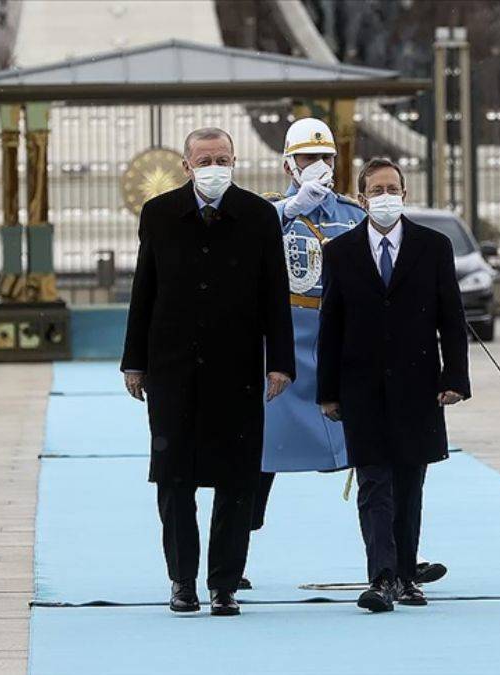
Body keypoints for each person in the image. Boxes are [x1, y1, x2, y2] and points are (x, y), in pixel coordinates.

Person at [251, 119, 448, 589]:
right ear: (287, 164)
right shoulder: (269, 213)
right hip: (284, 352)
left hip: (344, 352)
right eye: (304, 159)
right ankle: (233, 558)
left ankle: (397, 557)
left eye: (322, 159)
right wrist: (288, 211)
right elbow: (243, 250)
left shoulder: (351, 213)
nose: (315, 168)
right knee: (259, 462)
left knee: (383, 461)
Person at [121, 127, 295, 616]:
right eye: (204, 159)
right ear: (186, 165)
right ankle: (182, 581)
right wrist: (134, 361)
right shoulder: (159, 215)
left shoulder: (259, 216)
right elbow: (144, 291)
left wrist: (280, 362)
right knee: (174, 479)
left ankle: (224, 583)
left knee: (237, 480)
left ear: (234, 160)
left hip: (237, 368)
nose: (213, 166)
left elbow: (274, 295)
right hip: (172, 370)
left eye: (222, 158)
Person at [316, 157, 471, 613]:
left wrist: (455, 378)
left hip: (418, 384)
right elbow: (331, 323)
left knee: (408, 483)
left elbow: (452, 319)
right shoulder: (341, 251)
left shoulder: (433, 246)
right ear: (362, 199)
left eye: (393, 189)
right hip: (360, 385)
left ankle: (407, 574)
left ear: (404, 194)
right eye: (376, 190)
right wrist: (327, 391)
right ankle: (381, 578)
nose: (385, 197)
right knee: (374, 483)